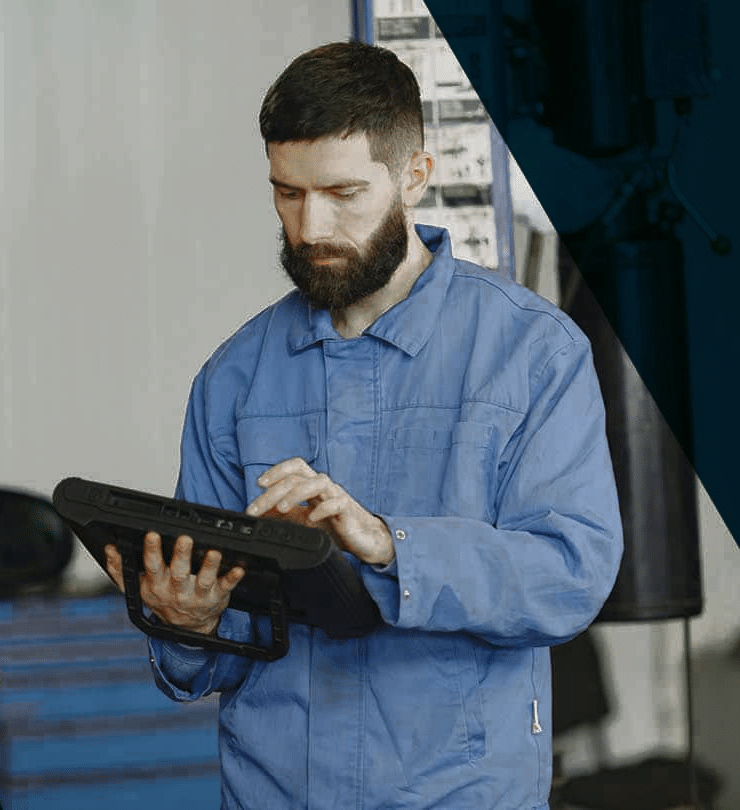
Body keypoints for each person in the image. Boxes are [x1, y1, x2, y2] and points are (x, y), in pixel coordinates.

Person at [105, 41, 622, 809]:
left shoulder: (530, 353)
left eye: (342, 192)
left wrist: (391, 543)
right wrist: (184, 623)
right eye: (287, 193)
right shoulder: (235, 378)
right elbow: (218, 657)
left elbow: (569, 575)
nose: (310, 225)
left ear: (415, 175)